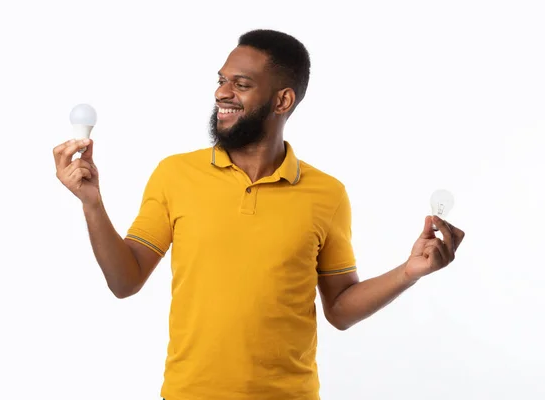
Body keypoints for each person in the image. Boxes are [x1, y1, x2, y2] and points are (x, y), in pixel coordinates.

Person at [53, 29, 465, 400]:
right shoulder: (175, 175)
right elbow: (125, 281)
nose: (222, 92)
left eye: (241, 84)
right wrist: (92, 204)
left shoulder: (327, 194)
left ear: (282, 99)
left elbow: (339, 309)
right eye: (221, 80)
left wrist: (409, 272)